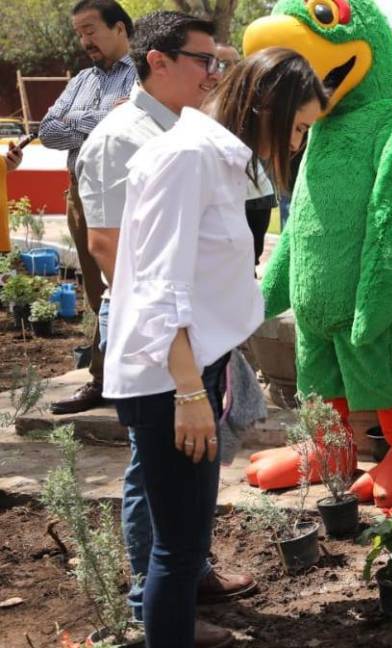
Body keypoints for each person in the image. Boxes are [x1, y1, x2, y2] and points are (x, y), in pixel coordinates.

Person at [102, 47, 325, 646]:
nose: (300, 143)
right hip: (168, 378)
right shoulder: (188, 158)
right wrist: (188, 391)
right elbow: (161, 285)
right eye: (299, 127)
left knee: (186, 540)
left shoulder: (218, 160)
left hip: (192, 368)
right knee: (177, 549)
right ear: (271, 110)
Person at [76, 12, 254, 643]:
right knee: (148, 472)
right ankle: (149, 600)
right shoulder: (120, 138)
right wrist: (175, 349)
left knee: (189, 476)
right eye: (204, 61)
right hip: (150, 326)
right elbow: (109, 246)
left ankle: (179, 584)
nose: (214, 74)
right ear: (159, 60)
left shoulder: (186, 131)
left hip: (187, 326)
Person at [40, 0, 137, 415]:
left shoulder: (146, 74)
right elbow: (47, 130)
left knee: (133, 286)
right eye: (79, 33)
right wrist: (102, 117)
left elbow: (138, 123)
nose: (85, 41)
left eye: (91, 30)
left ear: (119, 28)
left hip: (128, 192)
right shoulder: (81, 79)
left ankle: (130, 380)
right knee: (98, 292)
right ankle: (105, 379)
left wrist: (78, 123)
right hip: (81, 191)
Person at [217, 42, 277, 264]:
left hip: (256, 195)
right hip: (222, 196)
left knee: (249, 261)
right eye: (223, 63)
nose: (232, 68)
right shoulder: (196, 100)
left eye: (236, 62)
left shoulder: (252, 97)